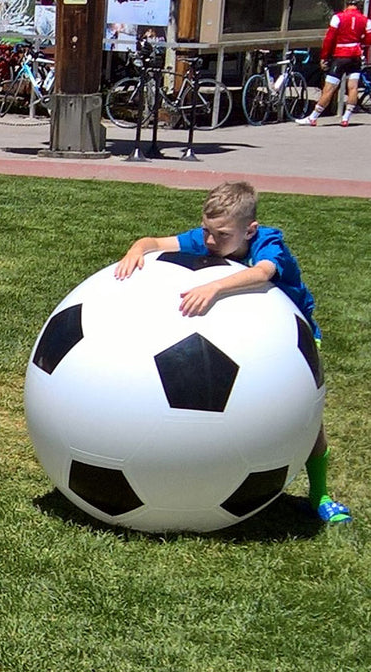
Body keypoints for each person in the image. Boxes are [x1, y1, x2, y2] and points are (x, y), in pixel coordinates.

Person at [114, 181, 352, 525]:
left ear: (250, 230)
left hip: (289, 343)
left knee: (306, 417)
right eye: (206, 231)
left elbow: (263, 273)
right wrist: (136, 250)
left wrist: (214, 287)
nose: (210, 242)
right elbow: (155, 242)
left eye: (221, 235)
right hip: (238, 340)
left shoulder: (268, 243)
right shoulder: (208, 235)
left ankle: (320, 495)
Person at [298, 0, 370, 127]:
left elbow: (329, 38)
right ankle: (346, 118)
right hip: (356, 56)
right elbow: (369, 39)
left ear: (346, 4)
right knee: (353, 87)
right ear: (358, 5)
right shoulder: (365, 20)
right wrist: (360, 42)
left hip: (340, 56)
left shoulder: (338, 17)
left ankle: (313, 117)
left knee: (329, 88)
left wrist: (324, 56)